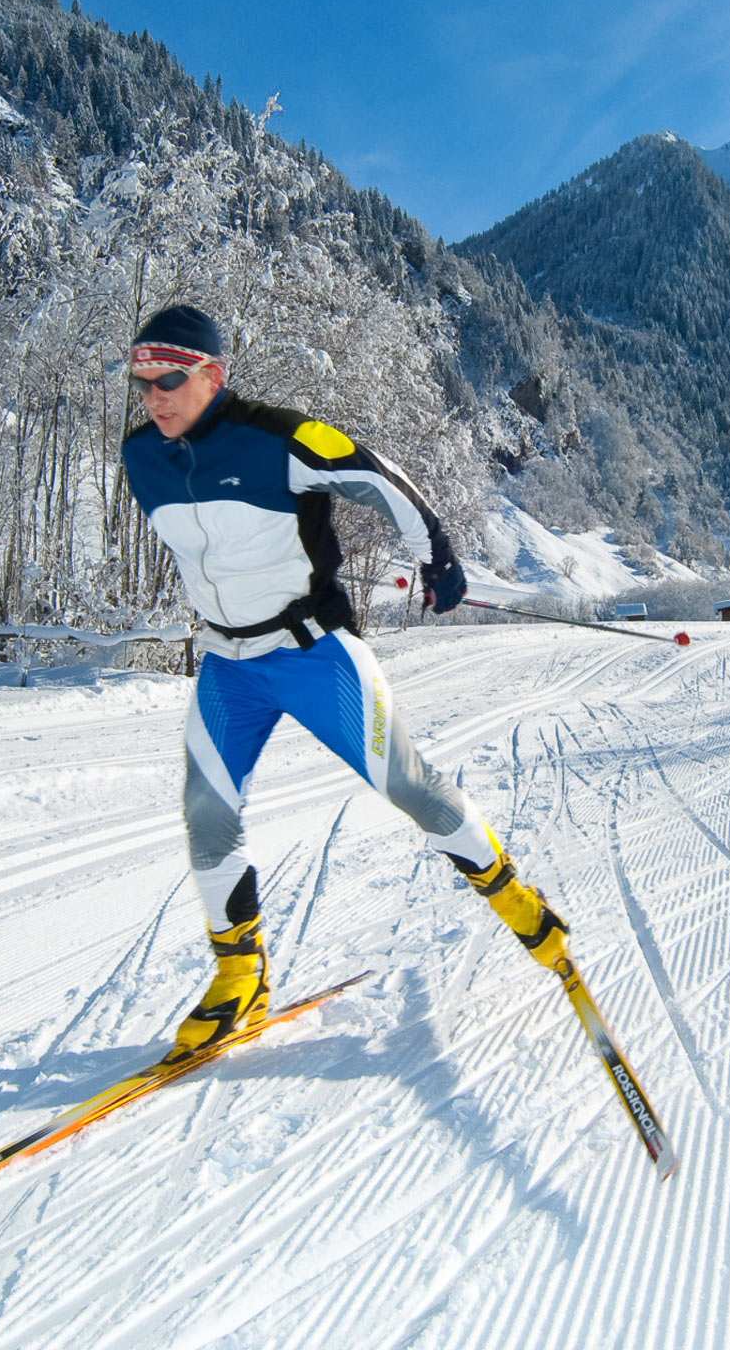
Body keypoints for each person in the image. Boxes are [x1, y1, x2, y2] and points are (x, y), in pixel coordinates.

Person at [118, 304, 573, 1063]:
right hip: (226, 668)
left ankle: (519, 902)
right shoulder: (142, 456)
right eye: (143, 385)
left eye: (171, 379)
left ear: (213, 375)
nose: (156, 397)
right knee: (206, 813)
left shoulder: (276, 436)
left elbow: (374, 474)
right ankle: (241, 976)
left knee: (412, 789)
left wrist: (438, 556)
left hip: (313, 654)